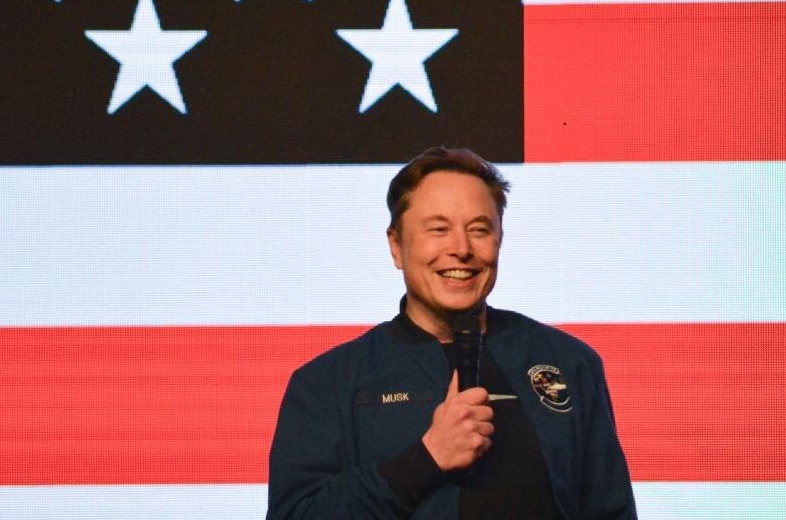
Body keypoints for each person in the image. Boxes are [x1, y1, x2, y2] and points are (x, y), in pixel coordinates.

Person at [266, 147, 637, 519]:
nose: (461, 249)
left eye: (479, 230)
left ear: (499, 239)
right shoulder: (327, 383)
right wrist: (427, 458)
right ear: (396, 245)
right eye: (438, 229)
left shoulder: (568, 362)